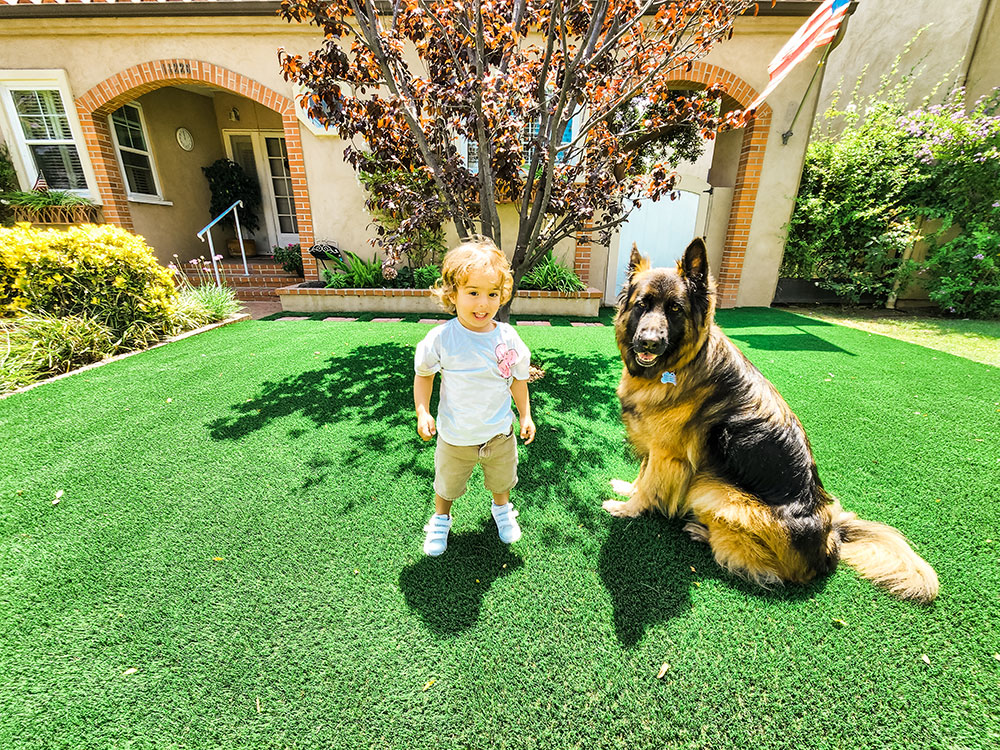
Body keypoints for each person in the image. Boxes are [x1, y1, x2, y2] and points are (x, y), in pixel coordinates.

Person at [413, 237, 536, 556]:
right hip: (455, 437)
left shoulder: (507, 337)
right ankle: (441, 518)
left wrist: (525, 415)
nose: (483, 303)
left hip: (499, 435)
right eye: (473, 293)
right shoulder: (442, 338)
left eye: (492, 294)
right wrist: (423, 412)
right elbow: (424, 375)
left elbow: (518, 379)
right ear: (453, 294)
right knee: (447, 486)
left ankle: (502, 510)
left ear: (502, 295)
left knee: (502, 480)